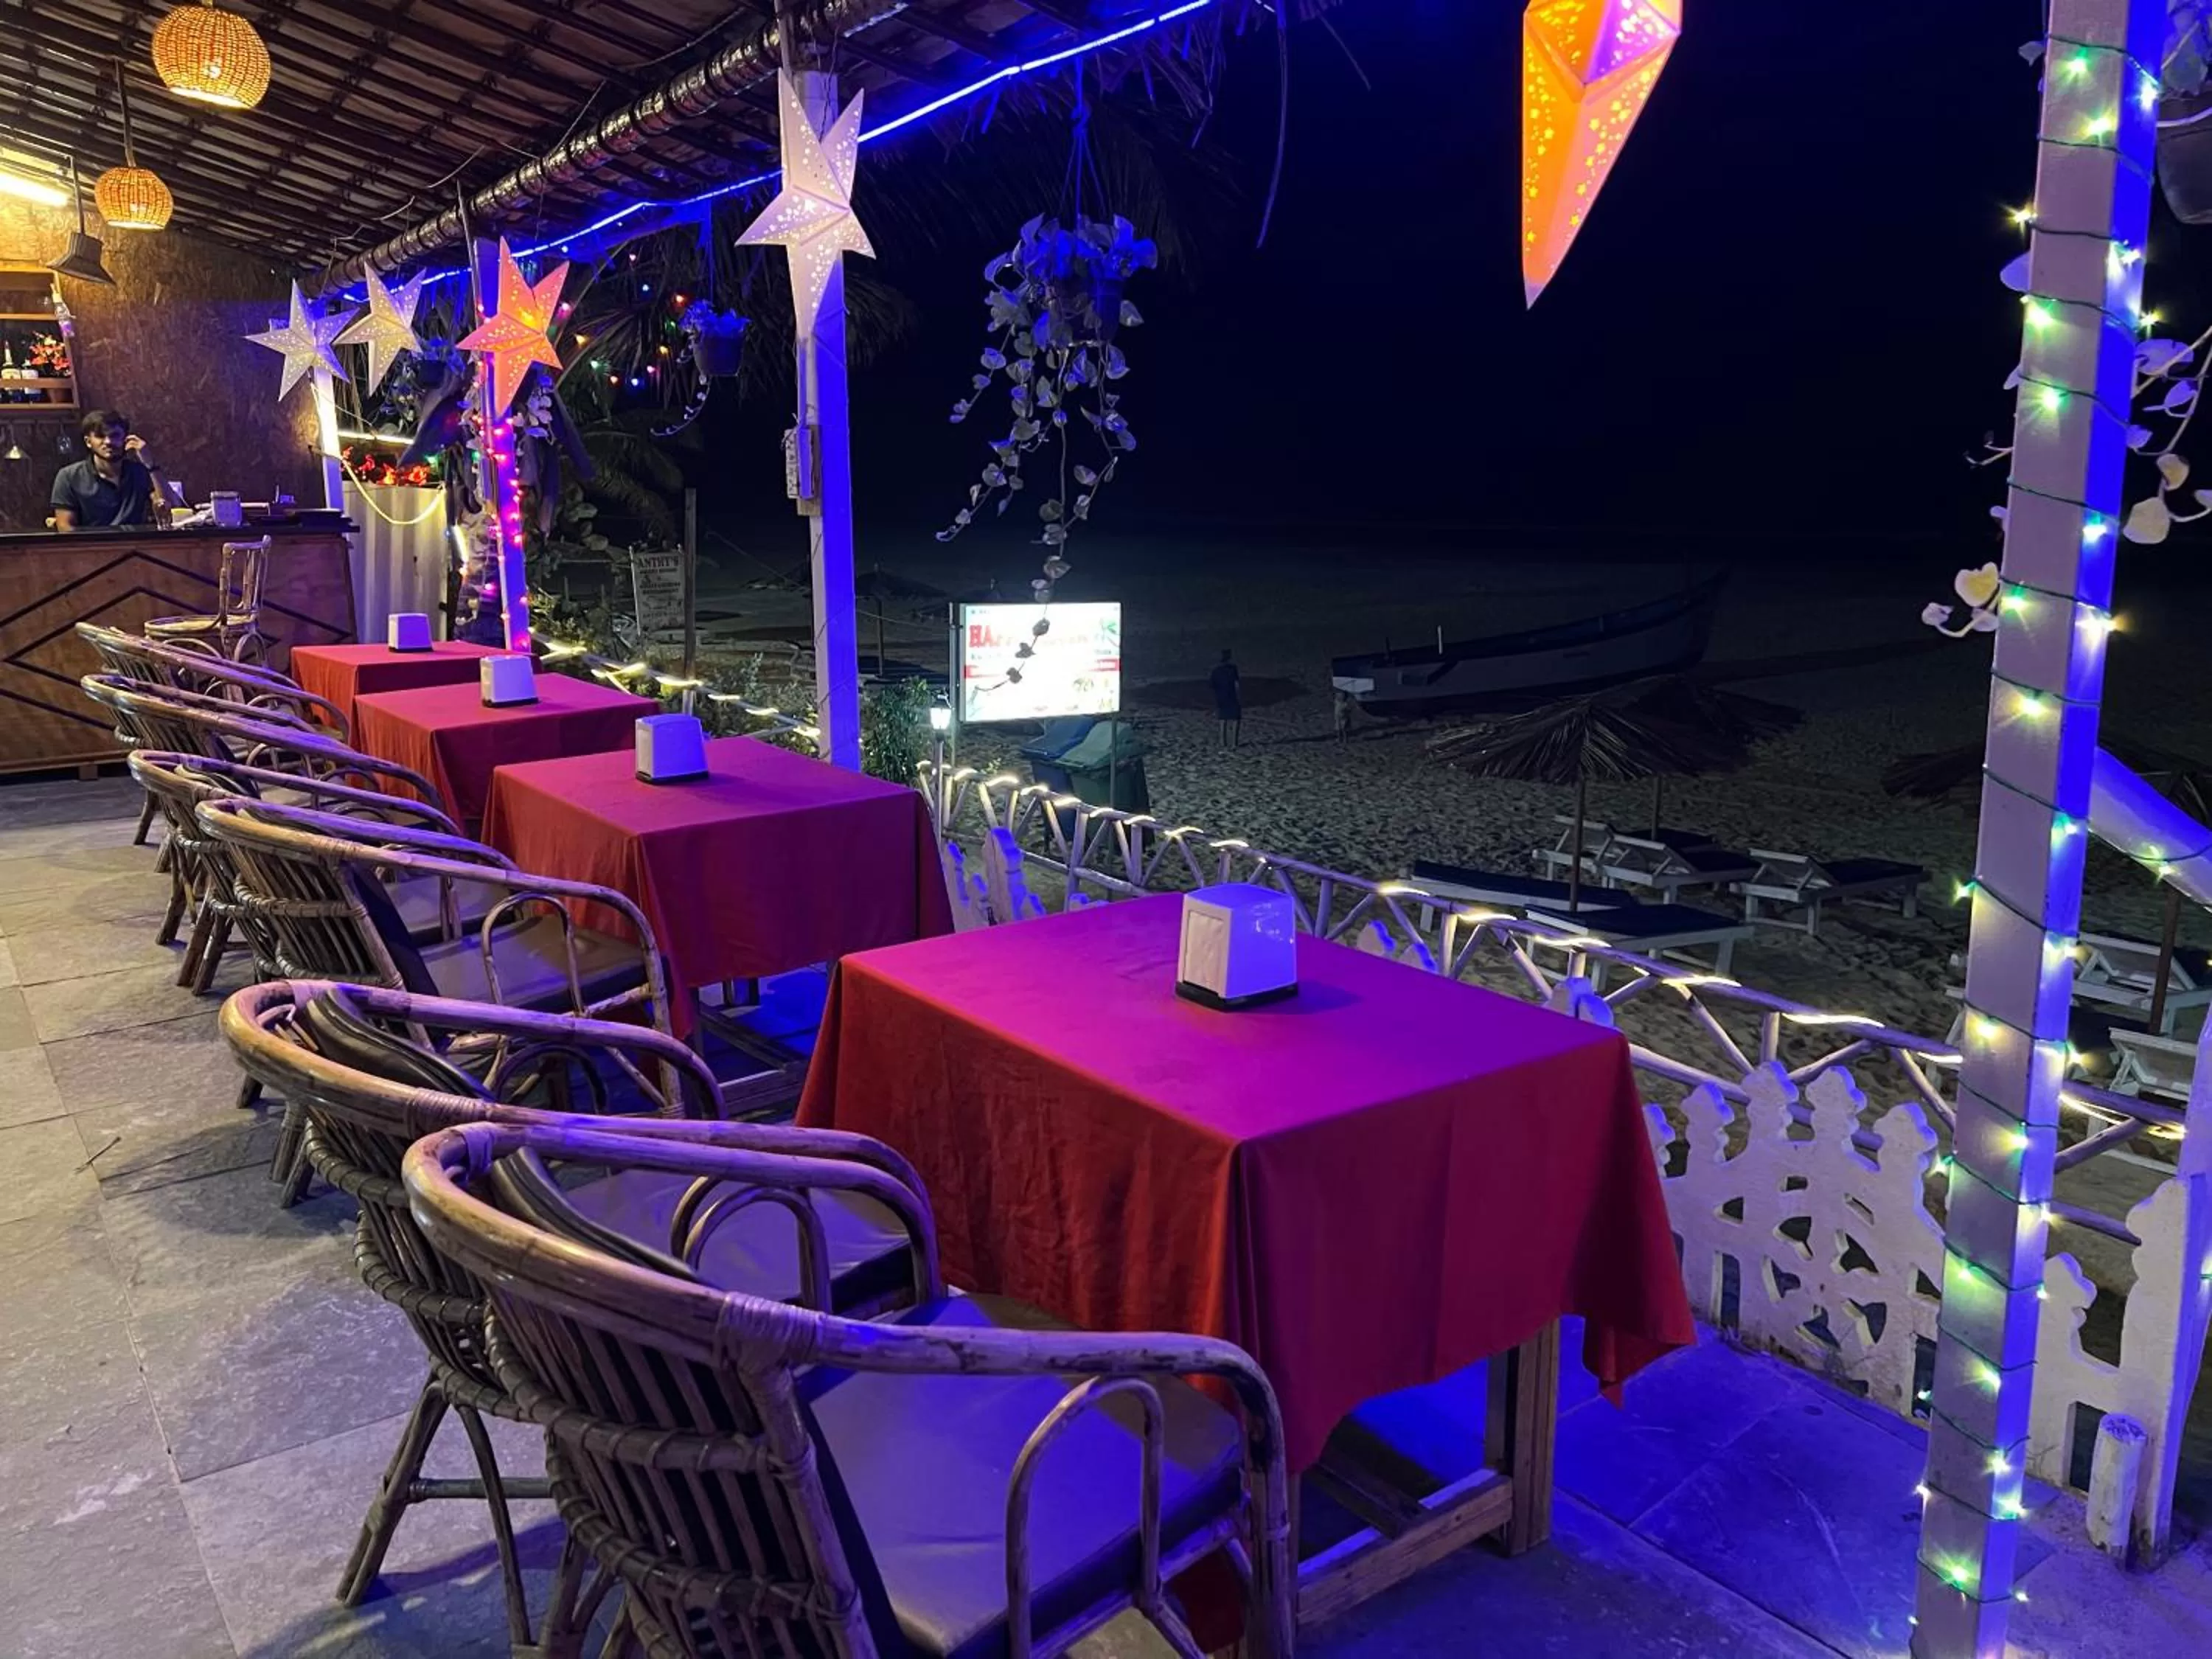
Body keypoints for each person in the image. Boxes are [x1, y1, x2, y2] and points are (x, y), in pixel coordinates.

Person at [51, 409, 170, 532]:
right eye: (100, 436)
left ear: (126, 439)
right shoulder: (69, 476)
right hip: (92, 548)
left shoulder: (139, 472)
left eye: (115, 435)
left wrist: (150, 464)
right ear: (88, 442)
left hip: (135, 546)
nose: (108, 442)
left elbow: (168, 509)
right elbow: (66, 529)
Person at [1208, 647, 1242, 748]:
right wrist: (1240, 696)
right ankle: (1234, 743)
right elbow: (1237, 684)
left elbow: (1212, 686)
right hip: (1232, 696)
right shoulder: (1233, 669)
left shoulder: (1215, 671)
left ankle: (1223, 742)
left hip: (1221, 697)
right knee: (1236, 719)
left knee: (1223, 720)